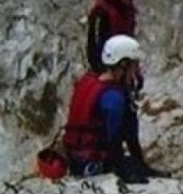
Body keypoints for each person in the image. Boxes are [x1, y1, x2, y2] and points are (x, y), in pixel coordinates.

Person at [84, 0, 169, 178]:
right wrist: (108, 76)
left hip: (124, 70)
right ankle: (116, 162)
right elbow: (93, 48)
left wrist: (134, 72)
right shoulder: (101, 13)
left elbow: (130, 45)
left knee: (130, 120)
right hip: (111, 72)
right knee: (116, 118)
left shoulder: (127, 10)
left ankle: (138, 163)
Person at [62, 36, 157, 184]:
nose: (137, 70)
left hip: (75, 159)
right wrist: (126, 173)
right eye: (134, 65)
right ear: (123, 64)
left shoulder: (89, 82)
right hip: (92, 164)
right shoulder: (113, 98)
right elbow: (115, 140)